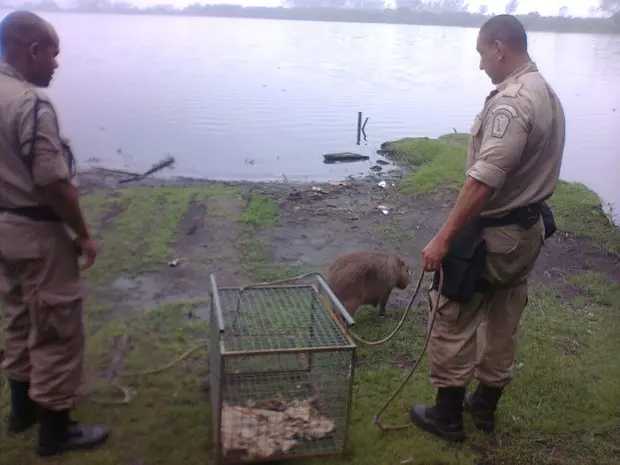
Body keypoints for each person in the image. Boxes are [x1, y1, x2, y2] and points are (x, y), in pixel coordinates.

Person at [410, 14, 566, 442]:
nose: (481, 64)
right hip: (527, 231)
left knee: (453, 313)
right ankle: (483, 408)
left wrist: (442, 239)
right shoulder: (546, 92)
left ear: (499, 47)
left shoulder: (512, 101)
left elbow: (483, 181)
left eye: (482, 54)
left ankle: (447, 420)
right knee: (504, 314)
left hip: (494, 234)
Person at [0, 10, 109, 457]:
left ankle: (21, 410)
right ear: (33, 51)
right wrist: (82, 233)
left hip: (3, 232)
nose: (57, 64)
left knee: (17, 314)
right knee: (57, 325)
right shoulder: (31, 103)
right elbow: (51, 181)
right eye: (54, 53)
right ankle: (56, 431)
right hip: (36, 232)